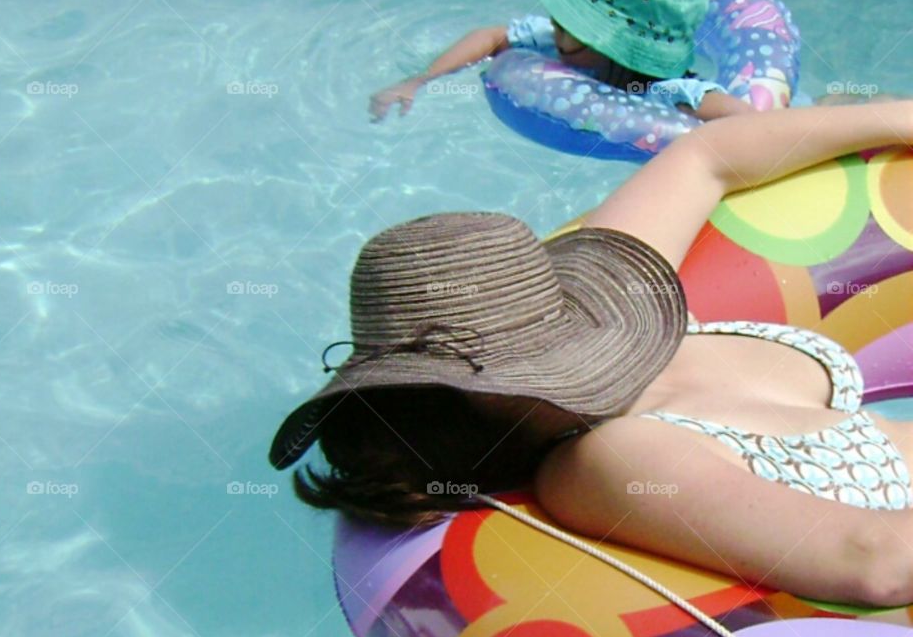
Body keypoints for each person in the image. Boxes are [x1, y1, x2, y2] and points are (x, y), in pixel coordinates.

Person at [270, 99, 913, 609]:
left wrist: (896, 116)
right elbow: (875, 563)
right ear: (504, 389)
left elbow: (706, 154)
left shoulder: (616, 316)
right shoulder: (611, 461)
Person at [369, 0, 755, 124]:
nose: (555, 32)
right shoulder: (557, 43)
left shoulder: (665, 92)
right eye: (558, 20)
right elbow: (492, 36)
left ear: (608, 45)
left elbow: (745, 120)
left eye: (568, 26)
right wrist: (419, 80)